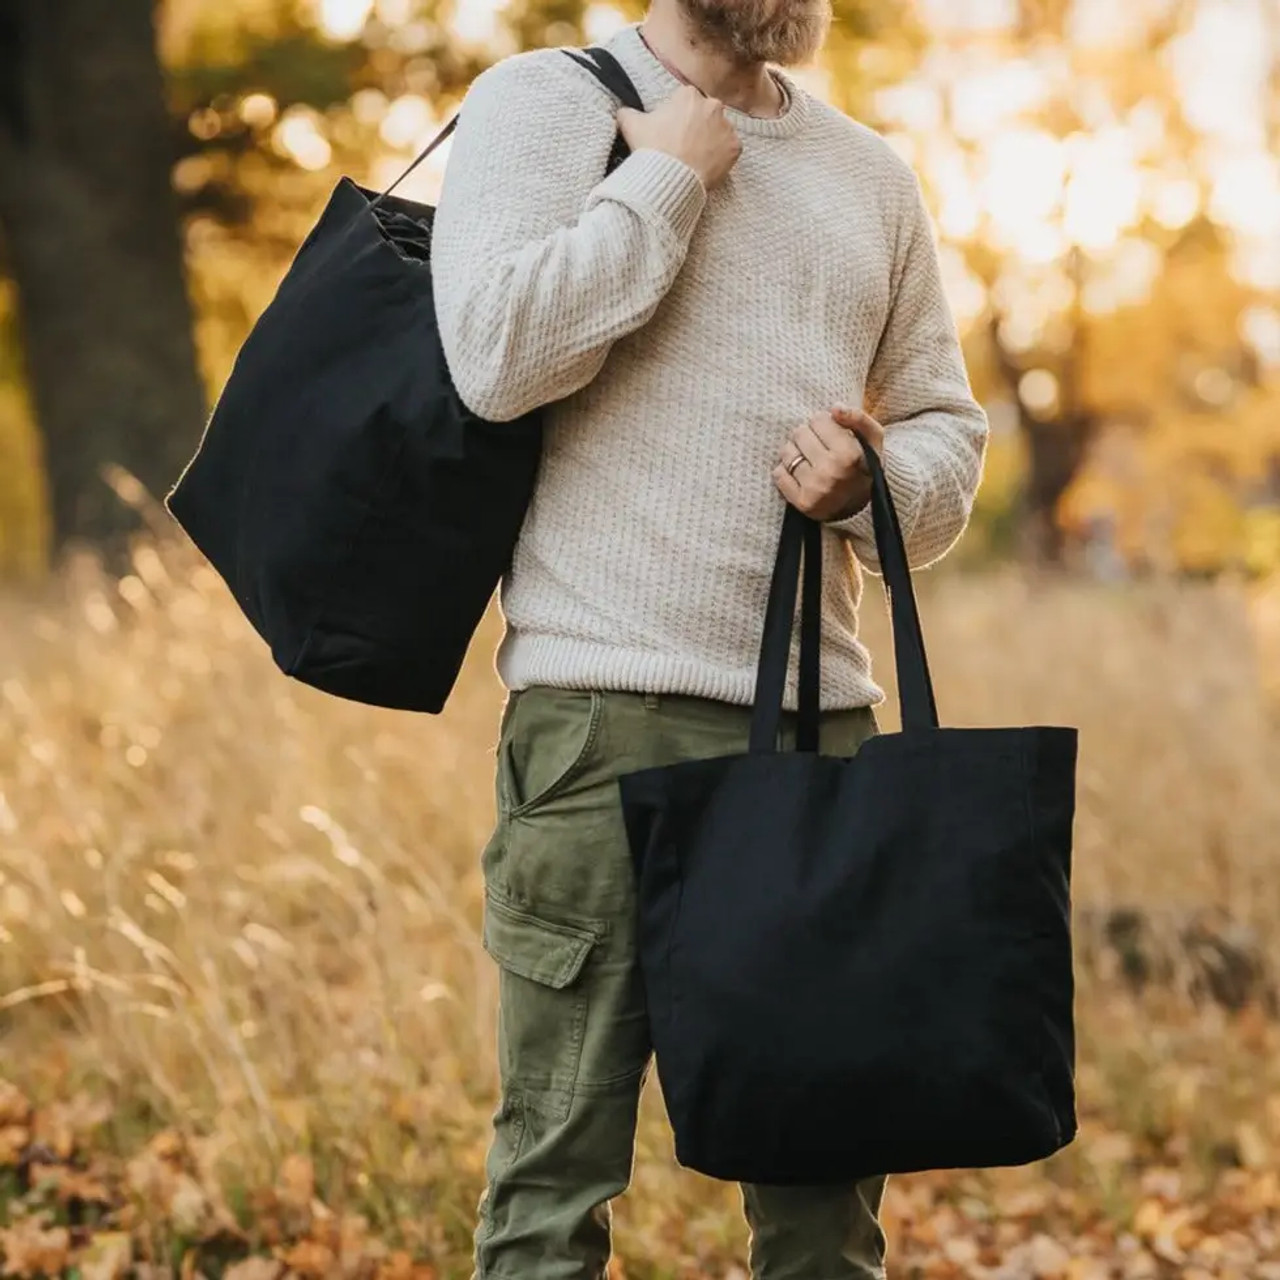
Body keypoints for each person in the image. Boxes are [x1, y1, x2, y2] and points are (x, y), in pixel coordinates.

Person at [430, 0, 988, 1270]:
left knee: (822, 1209)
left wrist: (872, 483)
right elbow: (494, 354)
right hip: (598, 731)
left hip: (818, 736)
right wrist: (669, 179)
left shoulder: (867, 175)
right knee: (552, 1187)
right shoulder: (544, 102)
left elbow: (946, 426)